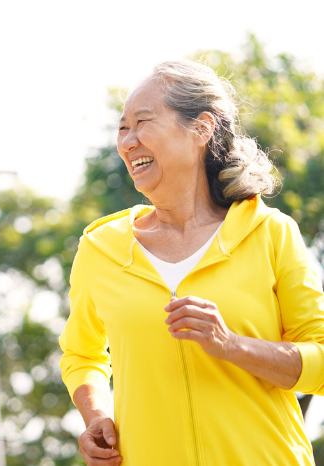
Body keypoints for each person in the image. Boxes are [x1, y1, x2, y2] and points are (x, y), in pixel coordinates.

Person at [59, 59, 324, 465]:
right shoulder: (101, 248)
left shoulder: (270, 232)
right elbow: (82, 355)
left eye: (143, 122)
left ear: (202, 128)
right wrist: (97, 415)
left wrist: (232, 345)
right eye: (122, 127)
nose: (128, 141)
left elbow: (320, 362)